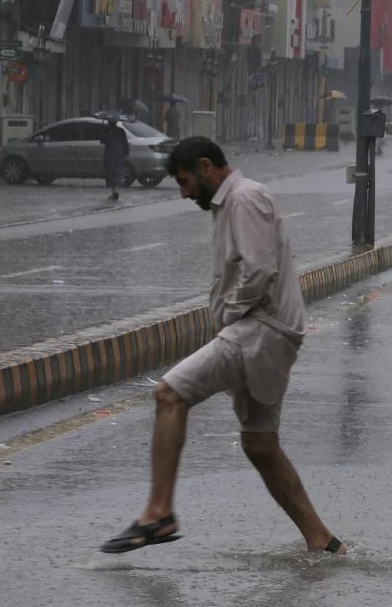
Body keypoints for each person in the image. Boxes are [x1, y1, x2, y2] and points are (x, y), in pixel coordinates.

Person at [101, 137, 344, 555]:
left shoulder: (246, 199)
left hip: (258, 330)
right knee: (260, 445)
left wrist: (229, 316)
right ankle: (322, 541)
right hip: (268, 331)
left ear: (206, 166)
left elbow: (258, 271)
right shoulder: (233, 203)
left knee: (169, 394)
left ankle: (159, 512)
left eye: (184, 181)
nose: (183, 193)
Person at [101, 122, 129, 201]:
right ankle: (115, 191)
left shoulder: (112, 131)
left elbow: (102, 140)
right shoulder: (118, 131)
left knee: (112, 172)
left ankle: (115, 192)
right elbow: (125, 143)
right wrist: (126, 153)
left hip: (112, 154)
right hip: (116, 155)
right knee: (114, 172)